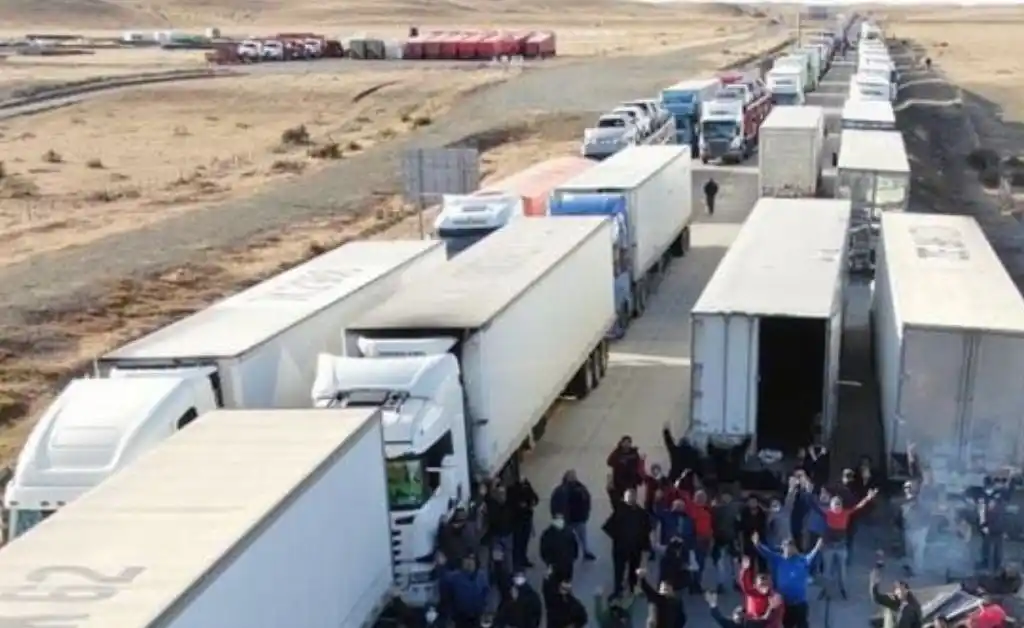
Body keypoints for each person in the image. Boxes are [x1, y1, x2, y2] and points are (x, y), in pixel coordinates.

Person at [810, 488, 879, 598]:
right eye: (835, 504)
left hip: (841, 547)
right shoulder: (827, 514)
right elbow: (815, 506)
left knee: (842, 572)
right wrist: (808, 493)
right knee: (827, 571)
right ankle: (825, 591)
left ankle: (843, 590)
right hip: (829, 547)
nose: (837, 506)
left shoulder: (846, 513)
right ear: (831, 505)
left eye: (839, 504)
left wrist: (868, 498)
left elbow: (858, 507)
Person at [753, 533, 822, 628]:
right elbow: (766, 553)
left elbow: (812, 555)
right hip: (785, 604)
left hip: (800, 603)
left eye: (790, 547)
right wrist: (758, 544)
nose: (788, 550)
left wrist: (817, 546)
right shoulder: (778, 559)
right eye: (786, 547)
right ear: (783, 548)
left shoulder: (802, 560)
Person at [603, 489, 653, 597]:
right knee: (618, 570)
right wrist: (618, 537)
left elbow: (646, 531)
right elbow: (608, 527)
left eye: (632, 496)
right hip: (621, 547)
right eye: (629, 496)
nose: (631, 498)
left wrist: (647, 546)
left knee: (633, 568)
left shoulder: (642, 513)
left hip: (635, 547)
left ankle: (632, 587)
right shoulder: (619, 511)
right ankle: (617, 589)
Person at [550, 470, 596, 561]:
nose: (573, 478)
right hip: (567, 518)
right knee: (566, 538)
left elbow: (587, 500)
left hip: (578, 517)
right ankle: (566, 553)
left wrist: (586, 512)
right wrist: (557, 516)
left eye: (574, 476)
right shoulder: (561, 490)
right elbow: (555, 504)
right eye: (571, 476)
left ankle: (585, 551)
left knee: (582, 537)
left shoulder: (580, 488)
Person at [439, 555, 491, 628]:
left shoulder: (481, 576)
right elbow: (445, 592)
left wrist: (485, 610)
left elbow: (486, 593)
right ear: (462, 562)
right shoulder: (453, 577)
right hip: (459, 617)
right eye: (466, 560)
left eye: (471, 560)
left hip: (477, 616)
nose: (469, 563)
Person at [738, 556, 784, 628]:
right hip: (752, 623)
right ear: (755, 585)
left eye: (766, 584)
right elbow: (744, 584)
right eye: (761, 585)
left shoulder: (774, 597)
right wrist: (745, 570)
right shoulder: (752, 593)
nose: (764, 587)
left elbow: (776, 618)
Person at [898, 480, 931, 577]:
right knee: (909, 552)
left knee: (918, 552)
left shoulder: (920, 500)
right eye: (906, 488)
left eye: (909, 487)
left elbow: (926, 514)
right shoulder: (902, 501)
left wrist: (925, 527)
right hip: (908, 529)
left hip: (920, 529)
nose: (907, 490)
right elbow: (900, 516)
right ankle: (911, 570)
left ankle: (918, 571)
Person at [711, 493, 741, 593]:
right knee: (723, 563)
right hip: (721, 538)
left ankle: (733, 582)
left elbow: (737, 525)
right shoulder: (718, 510)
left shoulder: (729, 510)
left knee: (733, 563)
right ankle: (723, 583)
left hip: (729, 538)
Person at [507, 477, 540, 570]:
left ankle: (523, 559)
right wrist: (520, 505)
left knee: (524, 541)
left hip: (526, 518)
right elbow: (511, 504)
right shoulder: (512, 490)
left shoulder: (527, 488)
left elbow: (536, 499)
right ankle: (517, 562)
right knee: (518, 542)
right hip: (518, 520)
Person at [539, 515, 580, 581]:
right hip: (567, 563)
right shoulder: (569, 532)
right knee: (565, 583)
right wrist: (573, 558)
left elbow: (543, 550)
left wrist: (547, 561)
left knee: (553, 583)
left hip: (553, 563)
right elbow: (575, 546)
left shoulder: (547, 534)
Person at [705, 591, 771, 628]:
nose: (736, 616)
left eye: (739, 614)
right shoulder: (731, 624)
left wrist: (713, 604)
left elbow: (718, 617)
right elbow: (718, 617)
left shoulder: (733, 625)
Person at [738, 497, 767, 571]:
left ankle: (761, 579)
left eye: (754, 501)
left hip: (760, 540)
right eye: (751, 501)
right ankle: (748, 580)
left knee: (761, 562)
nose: (752, 503)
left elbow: (765, 526)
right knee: (748, 562)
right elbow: (741, 528)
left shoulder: (762, 514)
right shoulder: (744, 513)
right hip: (747, 540)